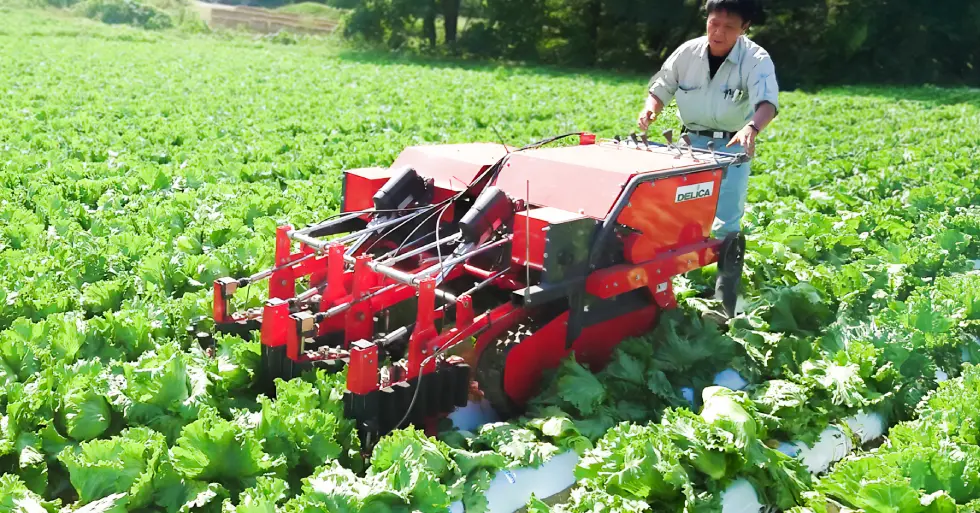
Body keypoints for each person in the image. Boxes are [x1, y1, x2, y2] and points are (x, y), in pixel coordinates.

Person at [637, 0, 778, 323]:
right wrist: (651, 108)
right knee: (671, 216)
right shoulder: (688, 53)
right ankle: (661, 291)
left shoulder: (756, 59)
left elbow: (767, 102)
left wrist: (751, 127)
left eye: (729, 27)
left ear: (745, 29)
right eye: (714, 24)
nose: (718, 32)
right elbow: (662, 86)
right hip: (690, 146)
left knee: (727, 224)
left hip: (732, 145)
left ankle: (725, 298)